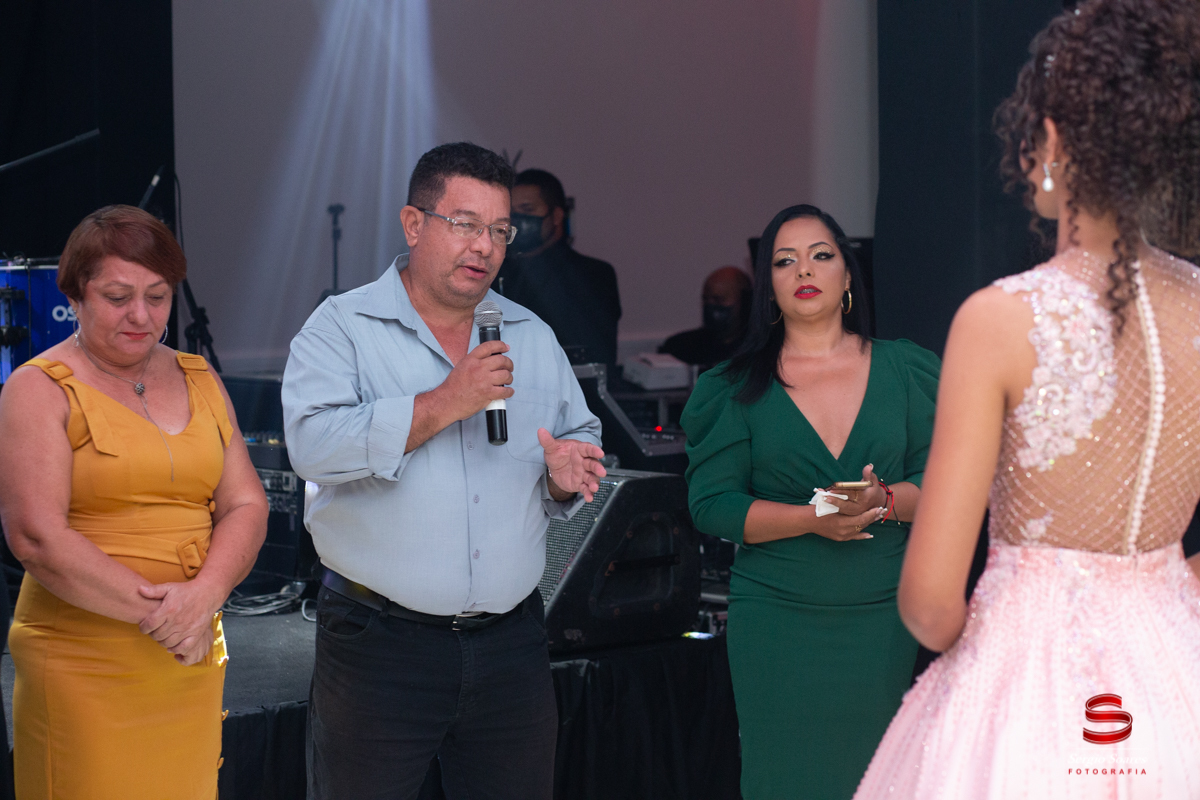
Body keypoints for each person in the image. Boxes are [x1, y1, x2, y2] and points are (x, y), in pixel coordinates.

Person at [854, 2, 1200, 797]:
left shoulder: (1003, 319)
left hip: (1030, 701)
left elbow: (931, 604)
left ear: (1052, 138)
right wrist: (1162, 599)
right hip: (1178, 686)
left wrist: (999, 638)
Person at [282, 142, 606, 800]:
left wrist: (564, 475)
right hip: (380, 645)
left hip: (511, 646)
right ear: (413, 224)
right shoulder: (343, 327)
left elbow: (580, 435)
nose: (484, 246)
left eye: (499, 230)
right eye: (464, 223)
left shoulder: (531, 335)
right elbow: (312, 447)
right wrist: (444, 402)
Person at [0, 205, 268, 799]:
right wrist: (171, 618)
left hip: (189, 654)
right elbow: (36, 536)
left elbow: (246, 504)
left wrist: (205, 597)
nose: (141, 316)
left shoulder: (199, 376)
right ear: (75, 296)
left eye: (158, 296)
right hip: (85, 662)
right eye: (118, 297)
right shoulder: (37, 388)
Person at [681, 204, 940, 800]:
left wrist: (883, 500)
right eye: (784, 260)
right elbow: (712, 504)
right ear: (768, 286)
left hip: (882, 615)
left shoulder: (906, 369)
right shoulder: (733, 386)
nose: (804, 269)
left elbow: (944, 486)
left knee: (879, 780)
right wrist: (812, 519)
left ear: (848, 274)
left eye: (821, 255)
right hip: (777, 620)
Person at [494, 168, 621, 366]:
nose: (517, 219)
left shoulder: (593, 275)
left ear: (556, 215)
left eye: (527, 210)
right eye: (511, 213)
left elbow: (590, 350)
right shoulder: (496, 272)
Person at [659, 265, 752, 368]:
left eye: (718, 300)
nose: (710, 305)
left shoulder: (754, 353)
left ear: (745, 302)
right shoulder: (680, 348)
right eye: (706, 299)